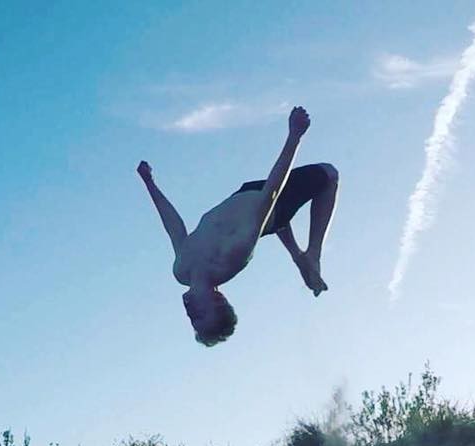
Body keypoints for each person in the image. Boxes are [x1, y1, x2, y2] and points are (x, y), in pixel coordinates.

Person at [137, 106, 339, 346]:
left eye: (192, 320)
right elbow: (270, 197)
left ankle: (298, 256)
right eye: (200, 315)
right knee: (329, 174)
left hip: (245, 192)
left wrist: (149, 183)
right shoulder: (231, 257)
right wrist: (294, 136)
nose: (190, 314)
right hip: (272, 203)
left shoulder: (181, 270)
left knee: (270, 224)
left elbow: (173, 227)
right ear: (218, 298)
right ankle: (313, 254)